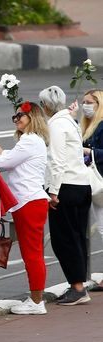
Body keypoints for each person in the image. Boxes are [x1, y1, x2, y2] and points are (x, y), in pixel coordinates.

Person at [0, 102, 49, 315]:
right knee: (33, 252)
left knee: (32, 253)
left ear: (33, 117)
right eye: (15, 116)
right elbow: (6, 157)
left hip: (29, 202)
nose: (17, 118)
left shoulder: (29, 141)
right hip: (29, 202)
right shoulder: (31, 142)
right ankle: (36, 298)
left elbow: (3, 162)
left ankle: (37, 302)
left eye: (21, 115)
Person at [39, 85, 91, 305]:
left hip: (66, 187)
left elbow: (57, 160)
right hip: (81, 184)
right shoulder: (70, 120)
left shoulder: (58, 125)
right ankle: (78, 285)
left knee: (64, 240)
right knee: (77, 236)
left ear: (47, 106)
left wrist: (53, 191)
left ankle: (77, 287)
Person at [79, 89, 103, 290]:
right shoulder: (87, 125)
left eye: (90, 102)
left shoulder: (102, 125)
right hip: (93, 183)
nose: (85, 105)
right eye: (84, 102)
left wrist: (89, 151)